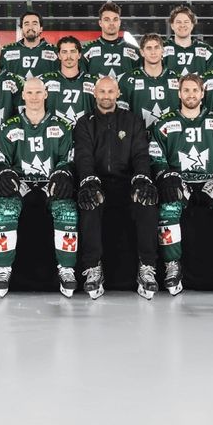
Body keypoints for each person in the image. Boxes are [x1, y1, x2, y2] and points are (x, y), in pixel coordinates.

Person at [148, 73, 213, 295]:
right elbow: (155, 155)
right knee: (169, 206)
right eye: (186, 90)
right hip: (179, 181)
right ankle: (172, 266)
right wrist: (166, 174)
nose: (191, 94)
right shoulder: (164, 123)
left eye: (195, 90)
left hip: (210, 182)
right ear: (179, 93)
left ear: (202, 93)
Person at [73, 77, 159, 300]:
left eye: (110, 91)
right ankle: (93, 268)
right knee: (90, 202)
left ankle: (147, 268)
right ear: (95, 93)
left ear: (118, 93)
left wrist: (142, 179)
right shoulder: (85, 122)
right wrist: (89, 180)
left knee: (146, 202)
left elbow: (141, 153)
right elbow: (83, 156)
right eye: (102, 91)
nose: (106, 96)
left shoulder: (132, 120)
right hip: (98, 182)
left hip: (126, 182)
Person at [0, 78, 78, 298]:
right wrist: (5, 172)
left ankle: (66, 269)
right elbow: (0, 158)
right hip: (21, 184)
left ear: (46, 94)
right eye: (29, 92)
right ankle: (3, 269)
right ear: (22, 95)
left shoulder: (62, 126)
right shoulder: (9, 125)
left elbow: (67, 158)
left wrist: (62, 172)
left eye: (38, 92)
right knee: (5, 208)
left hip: (50, 183)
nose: (33, 97)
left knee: (67, 209)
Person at [118, 33, 181, 127]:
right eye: (149, 48)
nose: (153, 52)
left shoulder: (177, 79)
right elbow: (121, 114)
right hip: (138, 138)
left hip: (171, 139)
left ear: (162, 51)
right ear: (142, 52)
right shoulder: (128, 79)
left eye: (156, 47)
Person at [41, 36, 97, 127]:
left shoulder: (94, 82)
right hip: (54, 138)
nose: (69, 56)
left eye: (73, 51)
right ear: (58, 55)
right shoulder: (45, 82)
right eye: (64, 52)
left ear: (79, 55)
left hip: (86, 136)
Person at [81, 1, 139, 80]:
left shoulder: (134, 51)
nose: (111, 23)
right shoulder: (87, 50)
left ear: (119, 22)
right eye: (107, 20)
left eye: (115, 19)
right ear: (100, 23)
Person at [0, 10, 58, 80]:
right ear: (21, 29)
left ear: (41, 29)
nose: (30, 27)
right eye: (26, 24)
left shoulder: (54, 51)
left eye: (34, 23)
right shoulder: (7, 51)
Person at [163, 5, 213, 76]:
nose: (182, 25)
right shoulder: (161, 49)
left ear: (192, 25)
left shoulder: (207, 51)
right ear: (172, 25)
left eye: (186, 22)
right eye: (178, 22)